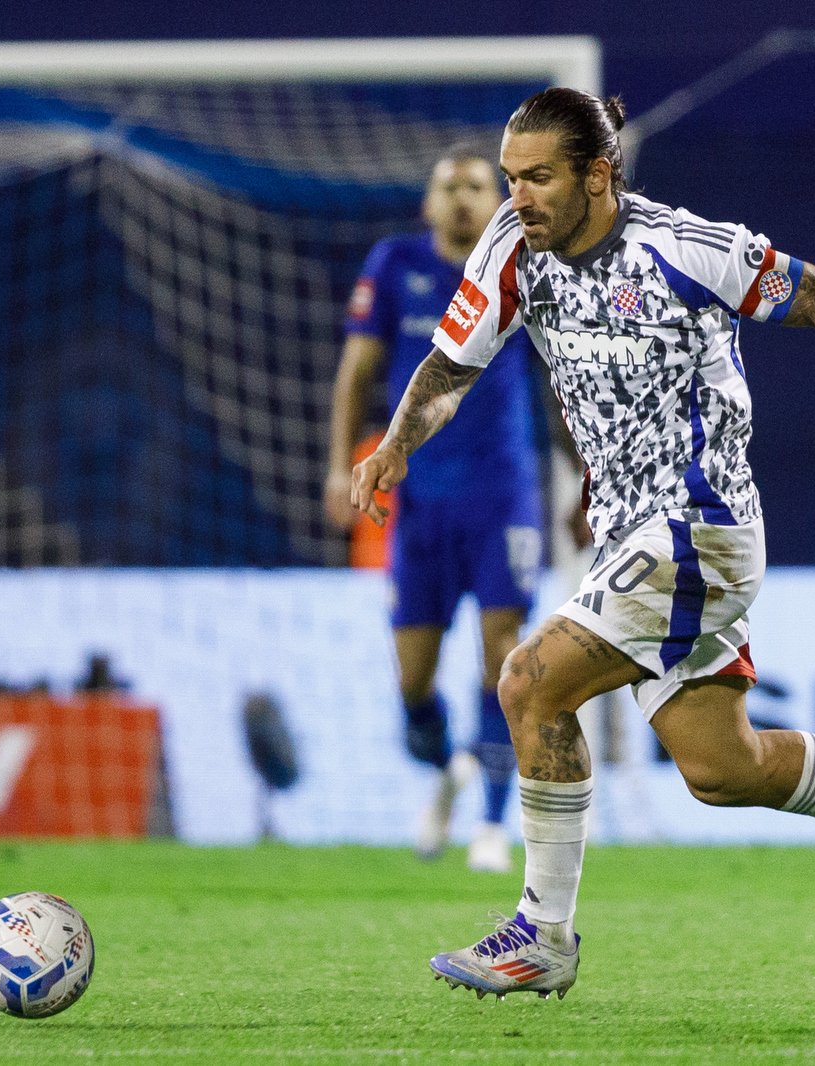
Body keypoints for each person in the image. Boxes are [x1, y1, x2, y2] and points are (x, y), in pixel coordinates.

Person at [351, 89, 815, 1001]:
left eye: (538, 177)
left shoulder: (685, 248)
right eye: (512, 177)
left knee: (527, 681)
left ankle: (542, 932)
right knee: (721, 768)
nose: (519, 197)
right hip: (634, 535)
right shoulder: (512, 246)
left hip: (700, 529)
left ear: (598, 173)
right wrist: (394, 444)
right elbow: (449, 366)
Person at [325, 144, 549, 873]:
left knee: (502, 655)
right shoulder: (395, 265)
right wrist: (339, 468)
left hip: (503, 494)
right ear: (428, 204)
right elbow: (358, 369)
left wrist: (579, 481)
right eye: (449, 186)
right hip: (418, 499)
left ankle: (490, 819)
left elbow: (559, 380)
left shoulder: (524, 268)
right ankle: (449, 773)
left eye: (477, 186)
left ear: (499, 202)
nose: (462, 198)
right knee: (413, 683)